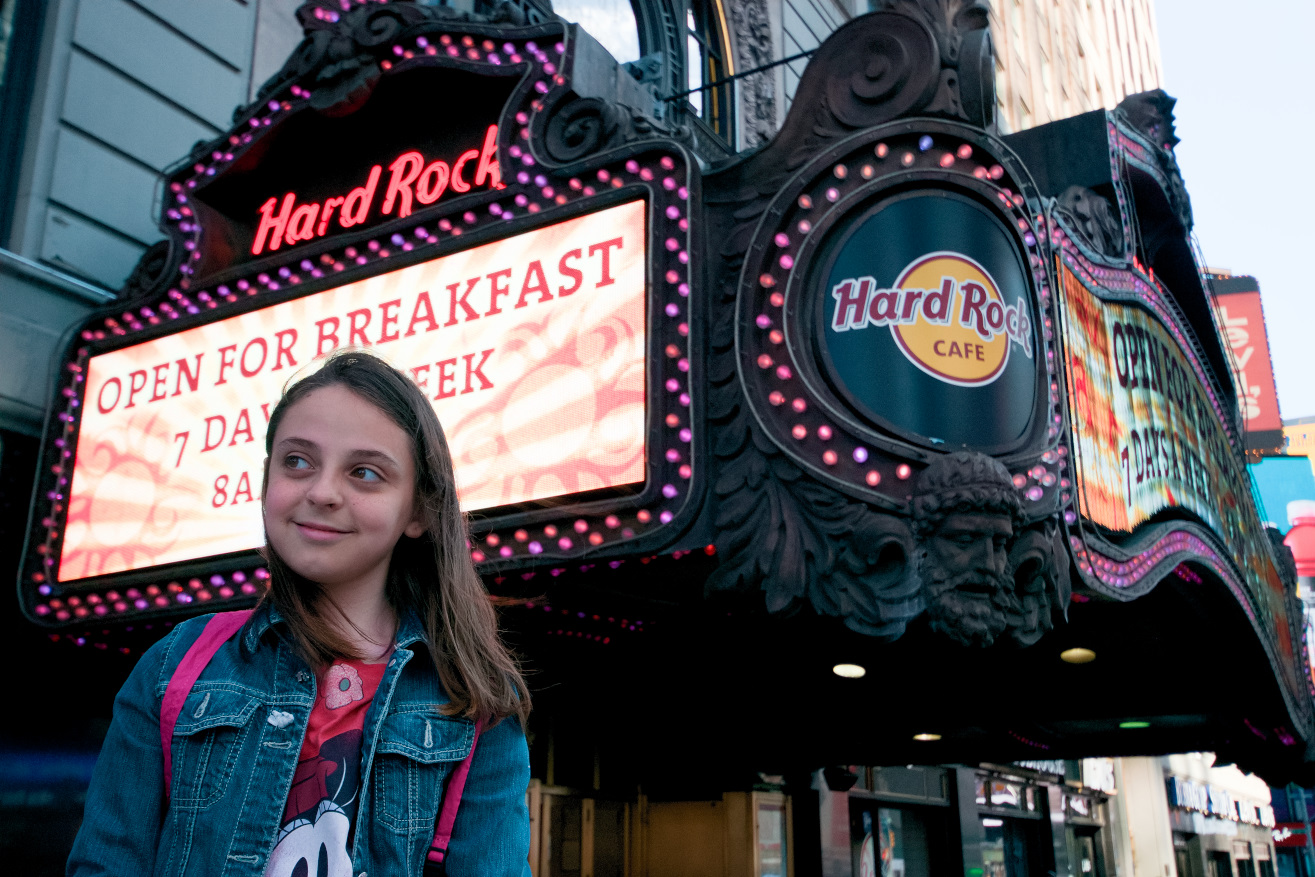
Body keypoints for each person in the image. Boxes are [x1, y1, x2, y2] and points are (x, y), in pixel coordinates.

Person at [68, 350, 532, 877]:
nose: (322, 491)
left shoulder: (476, 700)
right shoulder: (174, 666)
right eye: (297, 461)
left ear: (420, 510)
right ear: (267, 481)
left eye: (364, 472)